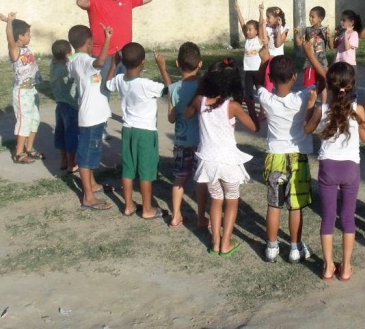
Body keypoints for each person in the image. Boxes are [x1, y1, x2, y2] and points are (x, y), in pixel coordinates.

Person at [303, 42, 365, 281]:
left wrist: (311, 106)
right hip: (350, 168)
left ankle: (327, 266)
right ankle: (346, 267)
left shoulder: (322, 110)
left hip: (328, 167)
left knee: (327, 217)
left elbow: (307, 130)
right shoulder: (358, 109)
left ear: (330, 86)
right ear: (352, 85)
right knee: (347, 218)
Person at [186, 59, 259, 257]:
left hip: (207, 160)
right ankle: (226, 242)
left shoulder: (199, 101)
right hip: (227, 161)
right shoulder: (232, 106)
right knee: (232, 200)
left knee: (216, 199)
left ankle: (216, 241)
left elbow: (187, 113)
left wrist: (199, 90)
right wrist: (251, 107)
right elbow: (254, 127)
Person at [256, 50, 315, 263]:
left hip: (275, 157)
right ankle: (295, 248)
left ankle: (272, 247)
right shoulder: (303, 97)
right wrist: (311, 54)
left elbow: (257, 83)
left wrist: (265, 62)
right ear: (294, 77)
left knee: (274, 204)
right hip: (297, 158)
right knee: (295, 206)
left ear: (271, 78)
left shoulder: (266, 98)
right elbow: (325, 80)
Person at [106, 43, 171, 219]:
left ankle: (128, 206)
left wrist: (114, 64)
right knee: (146, 171)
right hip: (146, 133)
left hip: (128, 129)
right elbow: (170, 89)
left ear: (123, 62)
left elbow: (108, 84)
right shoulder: (146, 84)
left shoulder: (120, 79)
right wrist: (162, 67)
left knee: (128, 168)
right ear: (143, 63)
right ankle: (147, 209)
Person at [75, 0, 154, 98]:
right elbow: (81, 2)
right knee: (101, 93)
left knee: (131, 93)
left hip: (125, 56)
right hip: (102, 57)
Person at [67, 24, 114, 210]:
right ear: (89, 42)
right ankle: (88, 196)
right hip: (91, 117)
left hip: (94, 115)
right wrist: (108, 39)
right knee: (86, 156)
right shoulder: (84, 60)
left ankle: (92, 184)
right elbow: (100, 63)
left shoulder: (75, 60)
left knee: (91, 152)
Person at [167, 42, 209, 229]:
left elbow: (171, 118)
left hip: (181, 141)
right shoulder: (204, 86)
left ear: (177, 64)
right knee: (201, 180)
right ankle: (201, 217)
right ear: (200, 64)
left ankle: (176, 215)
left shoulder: (173, 88)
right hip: (201, 141)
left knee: (179, 178)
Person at [0, 12, 44, 164]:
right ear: (20, 37)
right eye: (28, 34)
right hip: (22, 92)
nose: (30, 36)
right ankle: (19, 153)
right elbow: (10, 37)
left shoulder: (25, 48)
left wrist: (9, 21)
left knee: (35, 119)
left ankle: (29, 148)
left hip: (32, 90)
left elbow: (15, 29)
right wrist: (9, 22)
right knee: (24, 121)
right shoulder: (15, 51)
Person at [50, 39, 79, 173]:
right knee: (71, 134)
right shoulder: (67, 69)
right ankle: (71, 163)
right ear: (68, 54)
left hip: (60, 104)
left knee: (61, 133)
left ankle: (63, 160)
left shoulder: (53, 65)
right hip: (71, 106)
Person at [234, 0, 263, 119]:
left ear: (257, 31)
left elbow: (261, 25)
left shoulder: (259, 39)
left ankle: (263, 112)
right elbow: (242, 23)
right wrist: (238, 11)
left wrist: (261, 12)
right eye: (247, 30)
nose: (248, 31)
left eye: (250, 29)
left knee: (261, 92)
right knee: (249, 93)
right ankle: (252, 113)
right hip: (248, 71)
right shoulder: (247, 39)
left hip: (258, 70)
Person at [295, 6, 330, 87]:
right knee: (309, 86)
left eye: (312, 17)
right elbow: (299, 43)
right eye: (309, 16)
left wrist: (329, 37)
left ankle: (322, 96)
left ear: (320, 19)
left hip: (322, 62)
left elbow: (331, 46)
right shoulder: (307, 30)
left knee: (323, 85)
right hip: (309, 63)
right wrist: (297, 34)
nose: (310, 19)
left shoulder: (324, 30)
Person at [259, 3, 289, 92]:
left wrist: (278, 29)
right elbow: (265, 41)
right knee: (268, 79)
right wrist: (263, 26)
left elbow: (278, 44)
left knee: (280, 79)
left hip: (278, 59)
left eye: (268, 17)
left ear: (276, 19)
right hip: (268, 57)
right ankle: (268, 95)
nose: (267, 19)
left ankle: (281, 95)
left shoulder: (284, 28)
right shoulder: (267, 28)